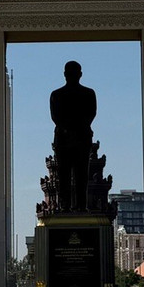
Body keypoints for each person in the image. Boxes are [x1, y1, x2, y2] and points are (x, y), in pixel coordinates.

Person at [49, 60, 97, 211]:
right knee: (79, 174)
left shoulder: (56, 95)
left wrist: (68, 129)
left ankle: (66, 207)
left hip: (66, 138)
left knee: (67, 175)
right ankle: (79, 206)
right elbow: (90, 114)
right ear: (80, 74)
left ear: (65, 75)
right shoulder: (88, 94)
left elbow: (56, 117)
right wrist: (77, 129)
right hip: (80, 137)